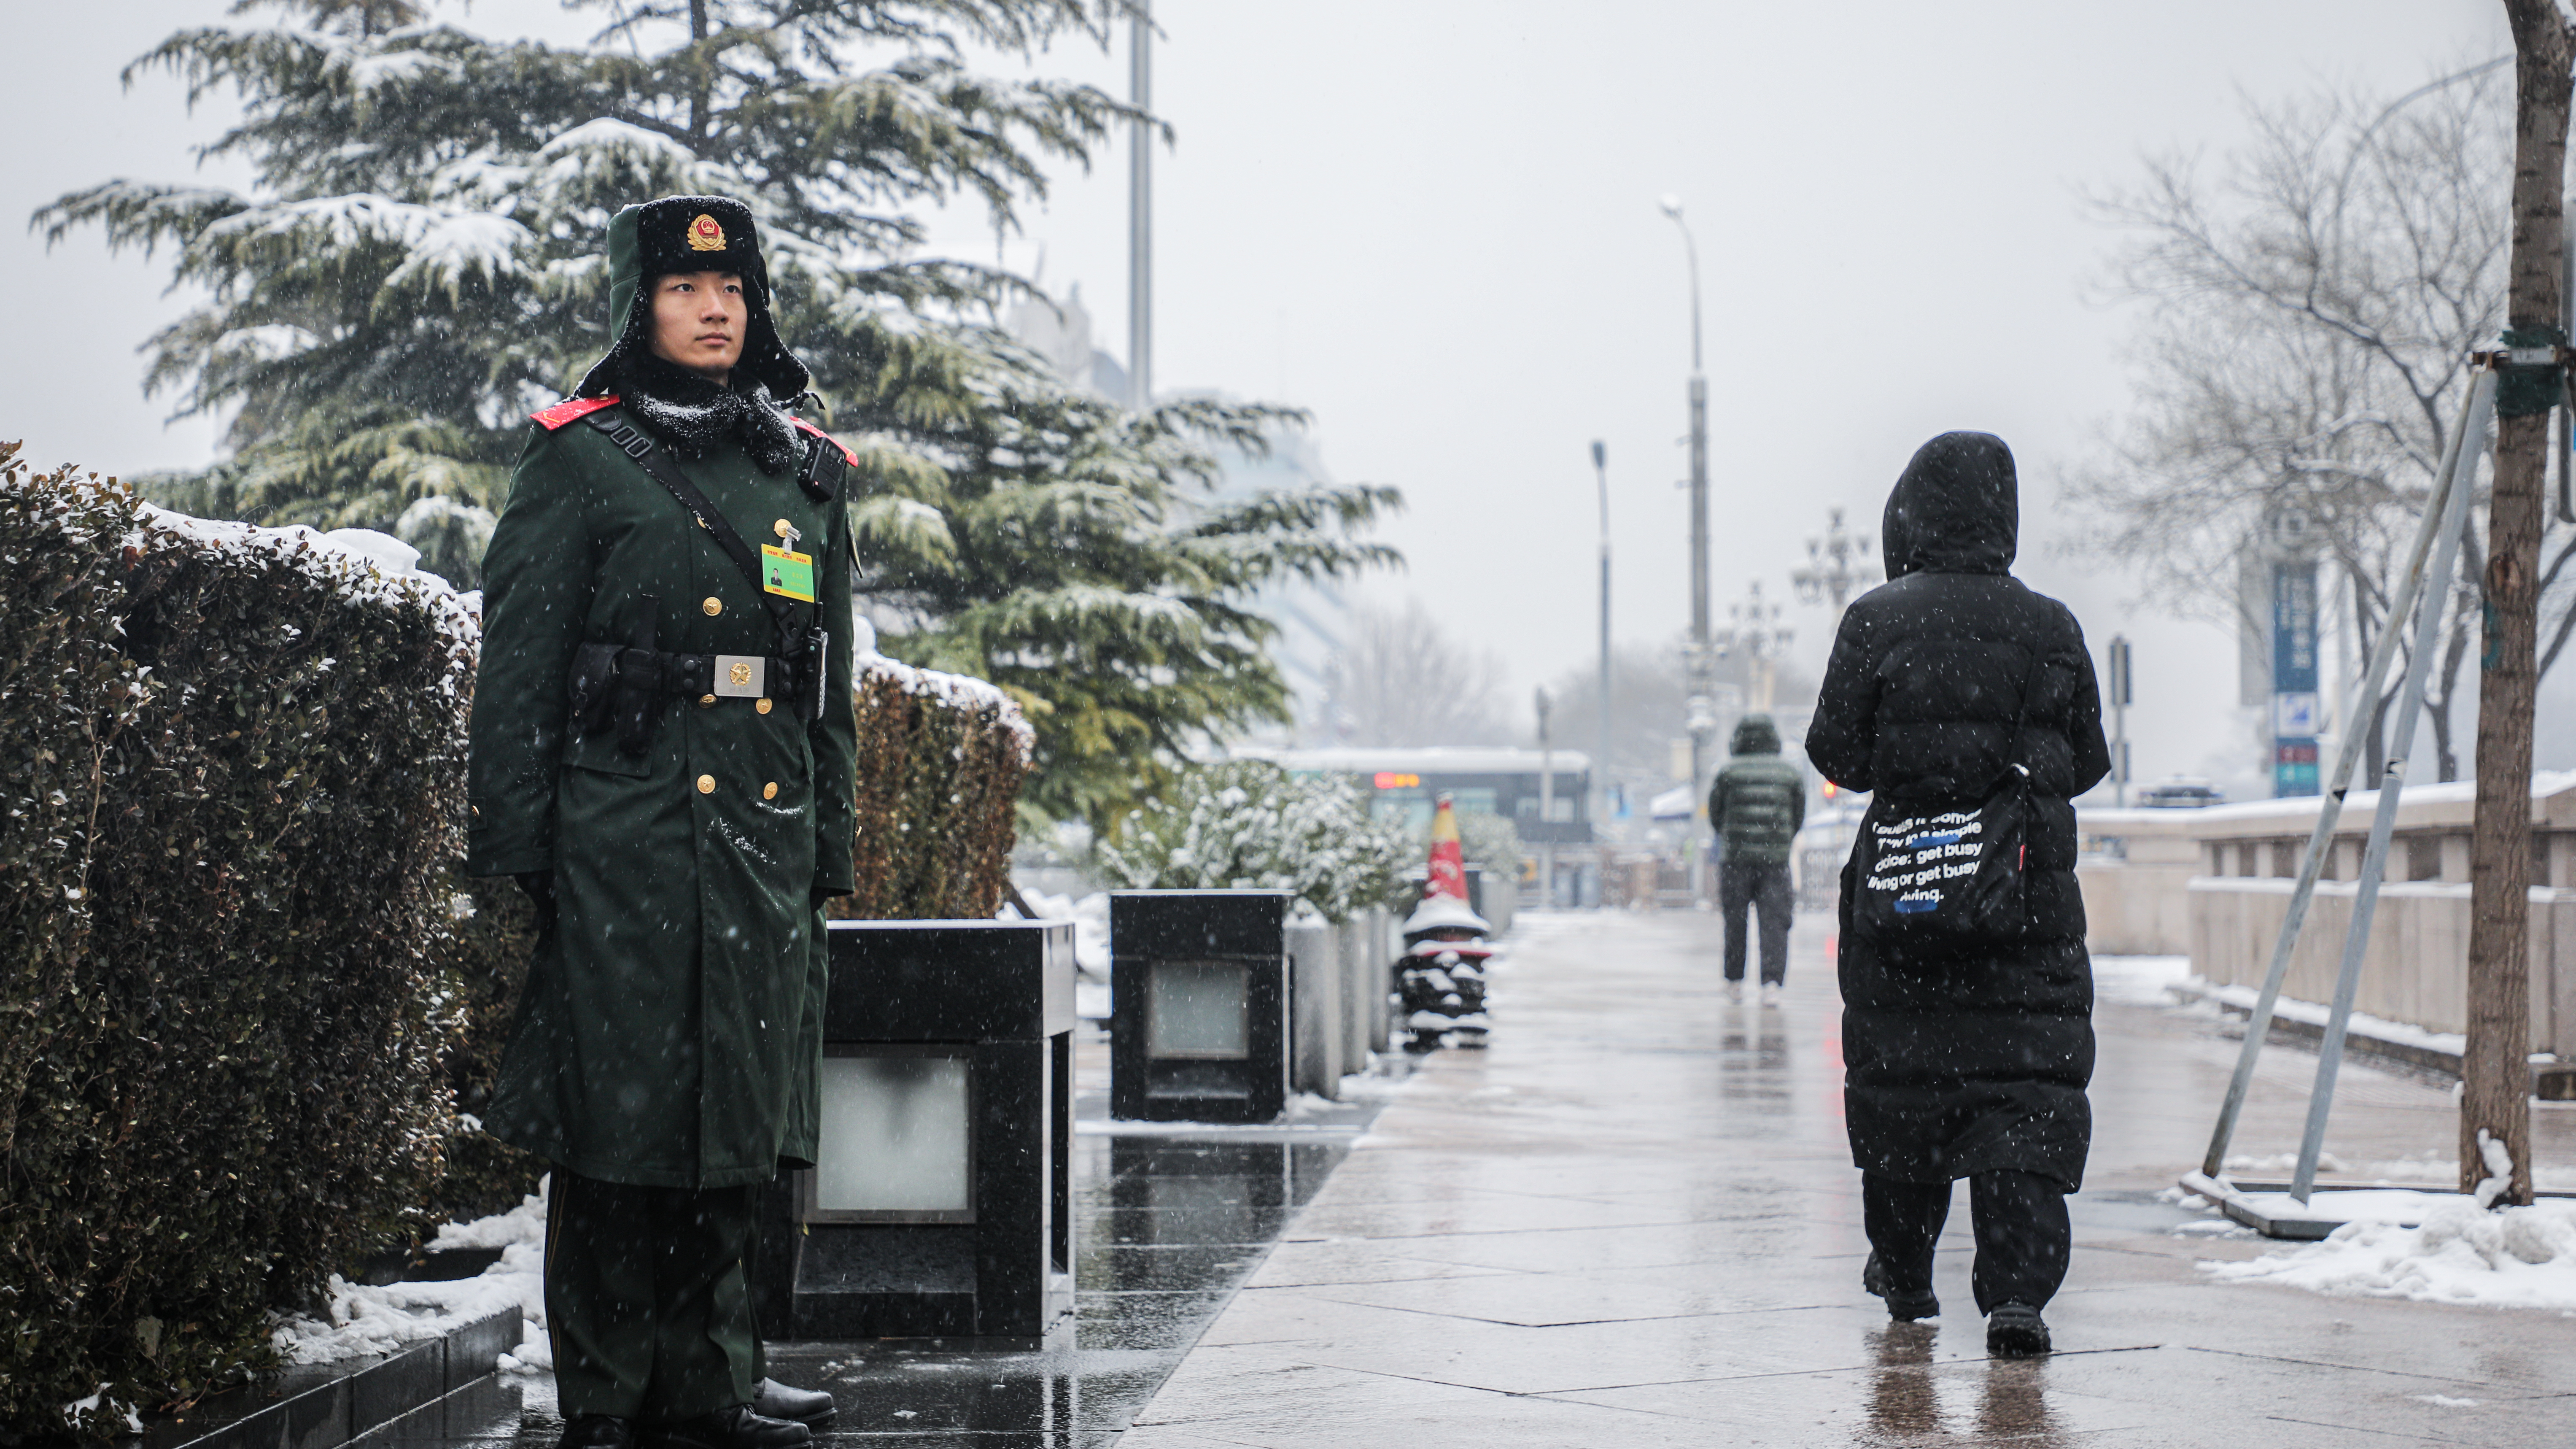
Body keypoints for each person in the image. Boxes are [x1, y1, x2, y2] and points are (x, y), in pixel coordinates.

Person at [466, 195, 859, 1449]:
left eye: (734, 292)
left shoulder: (801, 470)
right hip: (622, 830)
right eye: (689, 292)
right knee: (616, 1117)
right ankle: (606, 1385)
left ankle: (709, 1374)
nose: (714, 311)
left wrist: (828, 845)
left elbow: (826, 688)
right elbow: (519, 671)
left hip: (761, 830)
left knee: (734, 1113)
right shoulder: (578, 455)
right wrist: (518, 846)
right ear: (641, 305)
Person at [1803, 431, 2110, 1359]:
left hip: (1907, 911)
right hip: (2022, 913)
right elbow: (2090, 761)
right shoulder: (2052, 627)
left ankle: (1904, 1270)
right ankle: (2017, 1293)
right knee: (2022, 1096)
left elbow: (1839, 757)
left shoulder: (1874, 621)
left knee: (1906, 1091)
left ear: (1912, 516)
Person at [1707, 712, 1803, 1005]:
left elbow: (1715, 814)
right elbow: (1798, 815)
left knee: (1735, 921)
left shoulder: (1727, 773)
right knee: (1774, 921)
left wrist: (1731, 837)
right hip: (1775, 860)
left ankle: (1735, 980)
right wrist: (1780, 840)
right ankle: (1771, 982)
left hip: (1735, 859)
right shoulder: (1789, 774)